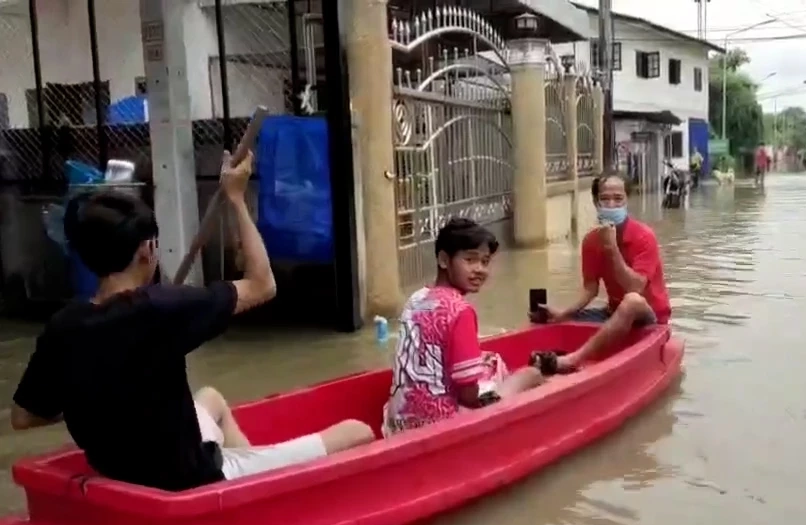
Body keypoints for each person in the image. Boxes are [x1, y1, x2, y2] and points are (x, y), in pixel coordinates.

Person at [10, 149, 374, 491]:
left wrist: (93, 399)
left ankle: (254, 493)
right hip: (189, 480)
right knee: (357, 432)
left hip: (118, 471)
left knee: (211, 399)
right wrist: (235, 197)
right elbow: (263, 284)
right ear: (147, 251)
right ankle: (241, 489)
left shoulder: (64, 324)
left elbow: (23, 417)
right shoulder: (162, 307)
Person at [383, 218, 544, 436]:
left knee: (491, 359)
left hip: (398, 422)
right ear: (443, 260)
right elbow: (469, 395)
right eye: (470, 260)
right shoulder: (461, 311)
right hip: (442, 424)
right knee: (530, 375)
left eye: (485, 262)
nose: (480, 270)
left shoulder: (416, 298)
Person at [531, 172, 672, 372]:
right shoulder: (591, 241)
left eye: (618, 199)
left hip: (649, 315)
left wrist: (611, 248)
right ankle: (540, 358)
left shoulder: (644, 237)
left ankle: (573, 360)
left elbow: (635, 287)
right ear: (596, 203)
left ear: (627, 200)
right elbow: (590, 289)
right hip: (614, 312)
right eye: (605, 199)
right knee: (548, 319)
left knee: (631, 300)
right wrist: (564, 313)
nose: (612, 205)